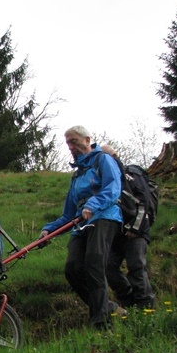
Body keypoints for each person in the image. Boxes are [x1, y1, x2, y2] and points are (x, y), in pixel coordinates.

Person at [39, 126, 122, 330]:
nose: (71, 147)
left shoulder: (102, 160)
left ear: (87, 140)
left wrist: (92, 204)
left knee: (94, 264)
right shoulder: (76, 176)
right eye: (68, 143)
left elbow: (113, 188)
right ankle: (108, 307)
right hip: (81, 223)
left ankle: (101, 324)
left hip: (104, 216)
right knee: (73, 269)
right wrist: (49, 229)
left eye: (74, 141)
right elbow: (69, 214)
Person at [101, 145, 155, 309]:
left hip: (136, 232)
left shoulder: (133, 176)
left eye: (107, 157)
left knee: (136, 266)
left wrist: (135, 228)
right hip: (117, 232)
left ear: (115, 156)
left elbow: (144, 203)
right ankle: (128, 298)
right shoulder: (106, 178)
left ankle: (145, 305)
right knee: (108, 266)